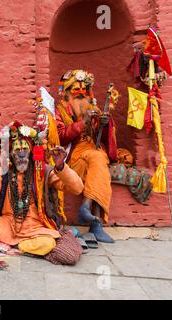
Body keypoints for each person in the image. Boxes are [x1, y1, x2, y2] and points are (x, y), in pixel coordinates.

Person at [0, 120, 84, 256]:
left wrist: (61, 167)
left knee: (48, 243)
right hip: (7, 225)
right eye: (17, 150)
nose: (21, 154)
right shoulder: (4, 171)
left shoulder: (43, 172)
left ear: (31, 153)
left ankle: (16, 244)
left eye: (25, 149)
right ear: (11, 154)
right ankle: (20, 244)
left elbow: (78, 188)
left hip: (34, 227)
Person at [55, 70, 117, 243]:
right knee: (98, 160)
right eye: (76, 91)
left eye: (84, 91)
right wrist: (83, 123)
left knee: (98, 162)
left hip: (94, 154)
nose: (81, 94)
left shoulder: (94, 109)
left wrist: (105, 125)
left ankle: (86, 208)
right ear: (67, 93)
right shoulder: (59, 111)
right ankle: (95, 225)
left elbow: (105, 140)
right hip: (73, 156)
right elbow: (60, 136)